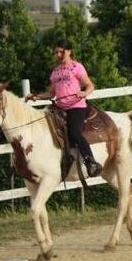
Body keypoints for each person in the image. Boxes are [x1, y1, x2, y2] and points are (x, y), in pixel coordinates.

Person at [26, 39, 101, 177]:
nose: (59, 55)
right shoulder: (55, 72)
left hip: (76, 106)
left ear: (69, 51)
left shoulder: (77, 67)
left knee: (74, 132)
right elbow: (51, 93)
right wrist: (36, 97)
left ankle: (91, 162)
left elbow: (90, 85)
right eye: (56, 52)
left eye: (62, 51)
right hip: (59, 107)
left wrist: (84, 93)